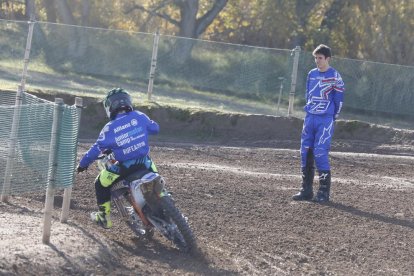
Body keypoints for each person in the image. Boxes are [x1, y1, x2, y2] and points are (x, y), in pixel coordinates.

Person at [77, 88, 160, 228]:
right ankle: (165, 197)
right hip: (145, 163)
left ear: (109, 107)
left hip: (124, 168)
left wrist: (83, 164)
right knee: (155, 174)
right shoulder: (139, 116)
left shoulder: (109, 128)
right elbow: (155, 129)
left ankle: (104, 217)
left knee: (100, 183)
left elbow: (95, 149)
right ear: (128, 101)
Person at [292, 44, 345, 203]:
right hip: (310, 118)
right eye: (315, 58)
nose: (317, 61)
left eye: (320, 58)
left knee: (320, 152)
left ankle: (323, 192)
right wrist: (309, 112)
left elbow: (339, 100)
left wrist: (332, 116)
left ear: (327, 58)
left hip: (325, 119)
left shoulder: (335, 76)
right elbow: (308, 94)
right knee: (305, 151)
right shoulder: (311, 74)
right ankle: (306, 190)